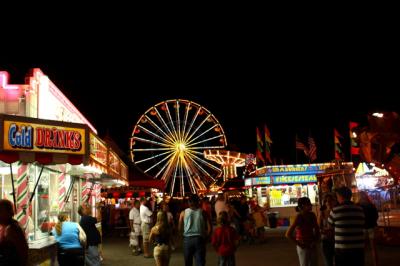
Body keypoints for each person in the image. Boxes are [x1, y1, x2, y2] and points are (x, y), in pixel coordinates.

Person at [328, 186, 365, 266]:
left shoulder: (335, 210)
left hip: (342, 249)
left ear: (340, 196)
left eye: (337, 196)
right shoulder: (359, 209)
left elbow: (329, 227)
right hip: (358, 248)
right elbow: (362, 224)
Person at [286, 197, 320, 266]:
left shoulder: (312, 215)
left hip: (312, 244)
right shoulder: (299, 217)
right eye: (308, 204)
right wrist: (300, 245)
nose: (311, 205)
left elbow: (317, 230)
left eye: (310, 204)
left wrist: (315, 241)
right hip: (303, 246)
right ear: (302, 206)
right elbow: (288, 234)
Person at [179, 194, 211, 266]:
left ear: (189, 202)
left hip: (187, 239)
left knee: (188, 262)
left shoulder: (183, 213)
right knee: (200, 262)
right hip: (199, 238)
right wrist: (207, 237)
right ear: (198, 202)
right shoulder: (203, 212)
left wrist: (182, 236)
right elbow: (209, 227)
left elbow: (179, 227)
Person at [0, 199, 28, 266]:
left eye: (0, 211)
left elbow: (23, 252)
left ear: (7, 212)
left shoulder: (12, 229)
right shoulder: (5, 226)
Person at [356, 191, 379, 266]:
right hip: (371, 227)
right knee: (373, 248)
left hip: (362, 228)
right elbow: (376, 216)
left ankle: (362, 262)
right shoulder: (371, 205)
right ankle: (375, 263)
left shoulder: (358, 206)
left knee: (362, 248)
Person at [319, 194, 337, 266]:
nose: (328, 202)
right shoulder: (322, 213)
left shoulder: (337, 212)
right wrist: (323, 230)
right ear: (324, 203)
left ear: (334, 201)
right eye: (326, 201)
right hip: (326, 240)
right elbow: (318, 227)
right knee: (328, 262)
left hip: (337, 240)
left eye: (330, 201)